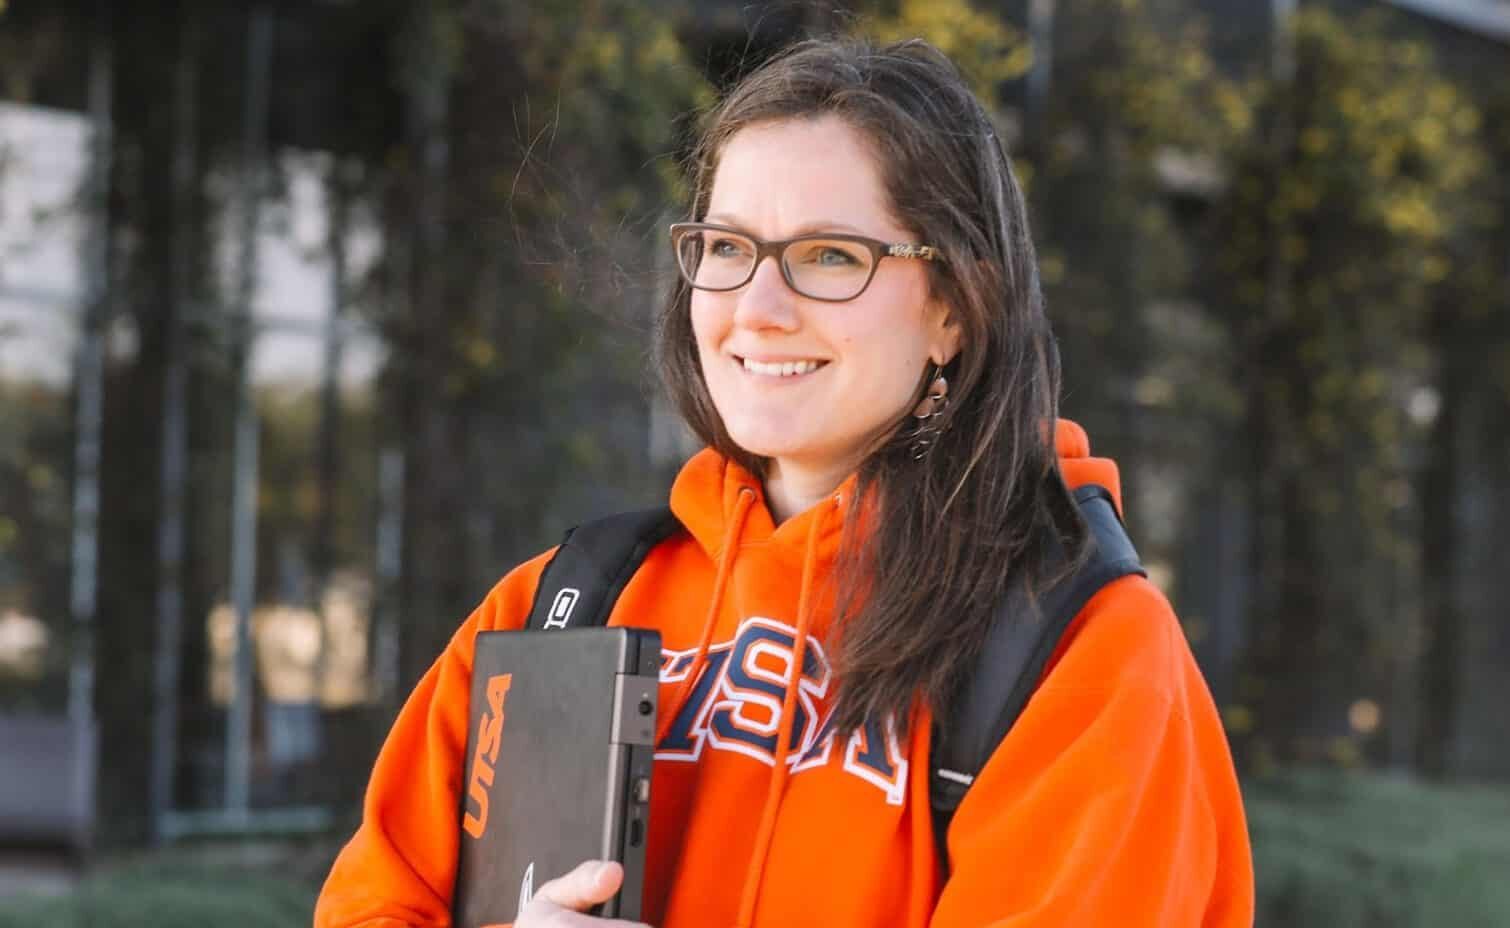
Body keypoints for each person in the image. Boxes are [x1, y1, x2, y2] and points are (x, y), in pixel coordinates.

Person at [315, 36, 1254, 928]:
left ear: (957, 309)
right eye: (726, 249)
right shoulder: (566, 601)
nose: (757, 309)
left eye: (830, 257)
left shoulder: (1079, 654)